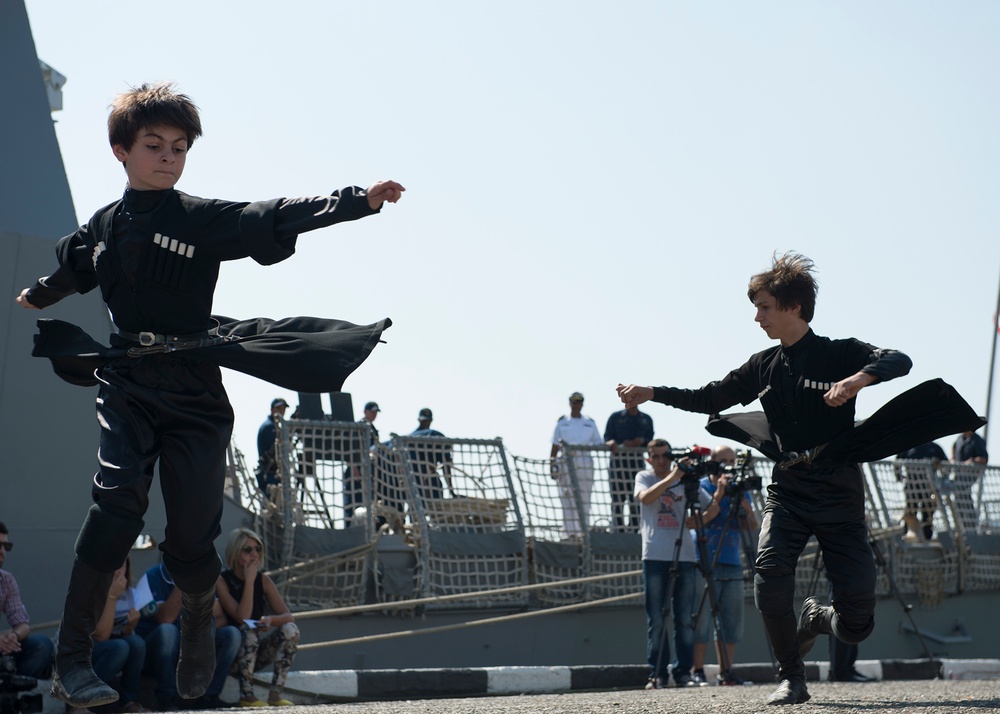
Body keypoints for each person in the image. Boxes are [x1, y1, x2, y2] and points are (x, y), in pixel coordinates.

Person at [14, 82, 402, 709]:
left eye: (179, 147)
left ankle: (198, 616)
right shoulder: (104, 226)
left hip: (193, 390)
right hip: (128, 381)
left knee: (194, 536)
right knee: (116, 504)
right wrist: (39, 293)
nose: (169, 157)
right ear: (121, 150)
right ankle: (73, 657)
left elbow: (272, 215)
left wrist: (356, 200)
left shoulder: (198, 219)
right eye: (154, 145)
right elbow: (74, 267)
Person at [617, 252, 913, 706]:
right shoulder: (763, 365)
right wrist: (653, 393)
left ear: (794, 306)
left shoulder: (838, 353)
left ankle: (816, 618)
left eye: (765, 307)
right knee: (769, 575)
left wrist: (857, 381)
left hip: (839, 492)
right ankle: (792, 677)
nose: (758, 317)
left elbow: (899, 359)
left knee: (857, 624)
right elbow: (709, 397)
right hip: (789, 490)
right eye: (756, 308)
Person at [636, 439, 716, 689]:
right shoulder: (645, 477)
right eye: (656, 456)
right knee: (657, 618)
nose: (661, 460)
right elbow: (646, 498)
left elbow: (712, 507)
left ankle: (683, 673)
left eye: (665, 455)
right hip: (655, 555)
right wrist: (674, 475)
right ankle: (658, 673)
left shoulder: (685, 479)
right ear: (649, 459)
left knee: (684, 618)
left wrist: (702, 517)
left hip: (685, 556)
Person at [691, 446, 757, 687]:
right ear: (713, 463)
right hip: (705, 559)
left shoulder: (740, 488)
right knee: (701, 619)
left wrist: (747, 509)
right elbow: (698, 520)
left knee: (731, 619)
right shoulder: (701, 486)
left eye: (732, 461)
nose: (728, 466)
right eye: (724, 461)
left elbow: (751, 526)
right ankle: (697, 669)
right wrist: (719, 494)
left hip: (732, 561)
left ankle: (727, 671)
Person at [134, 562, 240, 711]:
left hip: (189, 649)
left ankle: (208, 697)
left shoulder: (201, 579)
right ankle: (167, 698)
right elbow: (166, 618)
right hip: (154, 656)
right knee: (167, 631)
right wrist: (183, 581)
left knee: (231, 634)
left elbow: (220, 618)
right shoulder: (152, 577)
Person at [216, 528, 299, 707]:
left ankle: (275, 694)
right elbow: (242, 616)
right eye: (248, 550)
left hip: (254, 655)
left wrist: (270, 620)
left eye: (258, 549)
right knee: (248, 629)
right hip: (231, 656)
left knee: (290, 630)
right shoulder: (222, 581)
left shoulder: (264, 581)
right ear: (235, 552)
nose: (254, 554)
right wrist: (249, 581)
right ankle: (247, 695)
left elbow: (288, 617)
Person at [92, 557, 151, 713]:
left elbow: (119, 633)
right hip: (83, 649)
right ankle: (83, 700)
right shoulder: (91, 590)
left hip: (110, 646)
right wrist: (111, 596)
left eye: (121, 565)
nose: (117, 571)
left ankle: (129, 701)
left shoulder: (130, 594)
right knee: (120, 647)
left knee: (137, 643)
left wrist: (128, 628)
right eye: (112, 564)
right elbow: (101, 636)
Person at [0, 521, 54, 681]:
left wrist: (14, 636)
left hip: (3, 647)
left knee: (43, 645)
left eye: (6, 546)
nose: (2, 551)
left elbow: (23, 624)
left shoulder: (6, 580)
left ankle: (10, 688)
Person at [550, 392, 604, 537]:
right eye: (573, 402)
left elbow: (599, 443)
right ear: (570, 403)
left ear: (582, 404)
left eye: (578, 402)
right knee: (567, 498)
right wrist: (552, 464)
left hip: (584, 462)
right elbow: (555, 445)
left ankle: (582, 533)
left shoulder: (589, 423)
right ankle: (569, 534)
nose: (576, 405)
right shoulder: (562, 422)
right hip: (566, 462)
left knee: (585, 498)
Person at [603, 404, 654, 531]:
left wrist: (641, 441)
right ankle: (618, 532)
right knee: (617, 500)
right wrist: (614, 443)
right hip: (618, 465)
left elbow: (650, 441)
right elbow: (608, 437)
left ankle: (634, 531)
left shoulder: (646, 419)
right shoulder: (615, 417)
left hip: (636, 465)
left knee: (636, 500)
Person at [895, 441, 948, 541]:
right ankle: (907, 536)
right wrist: (899, 476)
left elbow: (945, 464)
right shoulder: (908, 447)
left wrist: (941, 477)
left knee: (928, 515)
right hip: (912, 487)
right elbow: (897, 462)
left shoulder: (934, 448)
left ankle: (927, 538)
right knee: (910, 513)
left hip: (929, 488)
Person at [407, 408, 454, 501]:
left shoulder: (408, 438)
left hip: (415, 481)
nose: (426, 423)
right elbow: (446, 465)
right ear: (419, 420)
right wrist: (451, 491)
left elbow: (445, 465)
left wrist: (451, 490)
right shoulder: (436, 436)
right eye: (424, 421)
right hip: (418, 480)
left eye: (427, 421)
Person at [344, 401, 380, 522]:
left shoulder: (373, 431)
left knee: (369, 503)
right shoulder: (358, 427)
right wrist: (354, 468)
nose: (374, 414)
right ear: (365, 412)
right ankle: (350, 526)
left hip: (368, 471)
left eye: (375, 412)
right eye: (372, 412)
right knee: (353, 502)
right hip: (356, 470)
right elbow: (349, 449)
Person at [950, 429, 989, 532]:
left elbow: (983, 459)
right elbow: (953, 456)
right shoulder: (959, 439)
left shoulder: (977, 440)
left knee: (965, 499)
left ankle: (971, 527)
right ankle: (961, 527)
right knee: (958, 500)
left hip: (969, 476)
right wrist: (953, 463)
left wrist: (971, 461)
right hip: (958, 476)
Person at [257, 398, 289, 493]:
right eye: (278, 408)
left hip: (273, 474)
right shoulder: (269, 427)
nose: (281, 411)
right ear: (272, 410)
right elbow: (279, 449)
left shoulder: (274, 426)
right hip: (270, 475)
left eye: (283, 409)